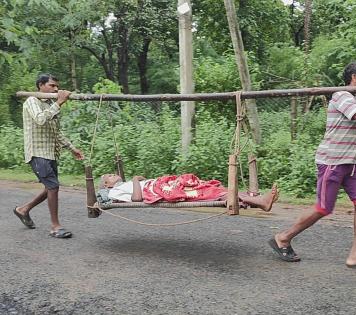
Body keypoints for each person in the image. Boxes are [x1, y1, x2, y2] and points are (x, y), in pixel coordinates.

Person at [269, 62, 356, 270]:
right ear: (354, 78)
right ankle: (283, 237)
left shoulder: (354, 99)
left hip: (350, 162)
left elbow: (343, 128)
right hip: (332, 162)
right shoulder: (341, 95)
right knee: (323, 208)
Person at [13, 73, 84, 238]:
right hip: (37, 153)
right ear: (41, 85)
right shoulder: (32, 101)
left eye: (56, 86)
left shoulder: (51, 103)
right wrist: (59, 102)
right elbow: (40, 120)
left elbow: (56, 132)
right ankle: (55, 226)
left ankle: (23, 210)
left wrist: (72, 148)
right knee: (53, 187)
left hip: (50, 153)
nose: (56, 89)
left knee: (50, 187)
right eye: (52, 86)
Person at [100, 173, 279, 212]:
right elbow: (137, 199)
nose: (113, 174)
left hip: (163, 183)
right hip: (160, 190)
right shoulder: (115, 192)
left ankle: (260, 201)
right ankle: (261, 202)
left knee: (208, 188)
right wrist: (136, 180)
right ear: (107, 185)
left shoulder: (122, 185)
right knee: (207, 192)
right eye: (109, 176)